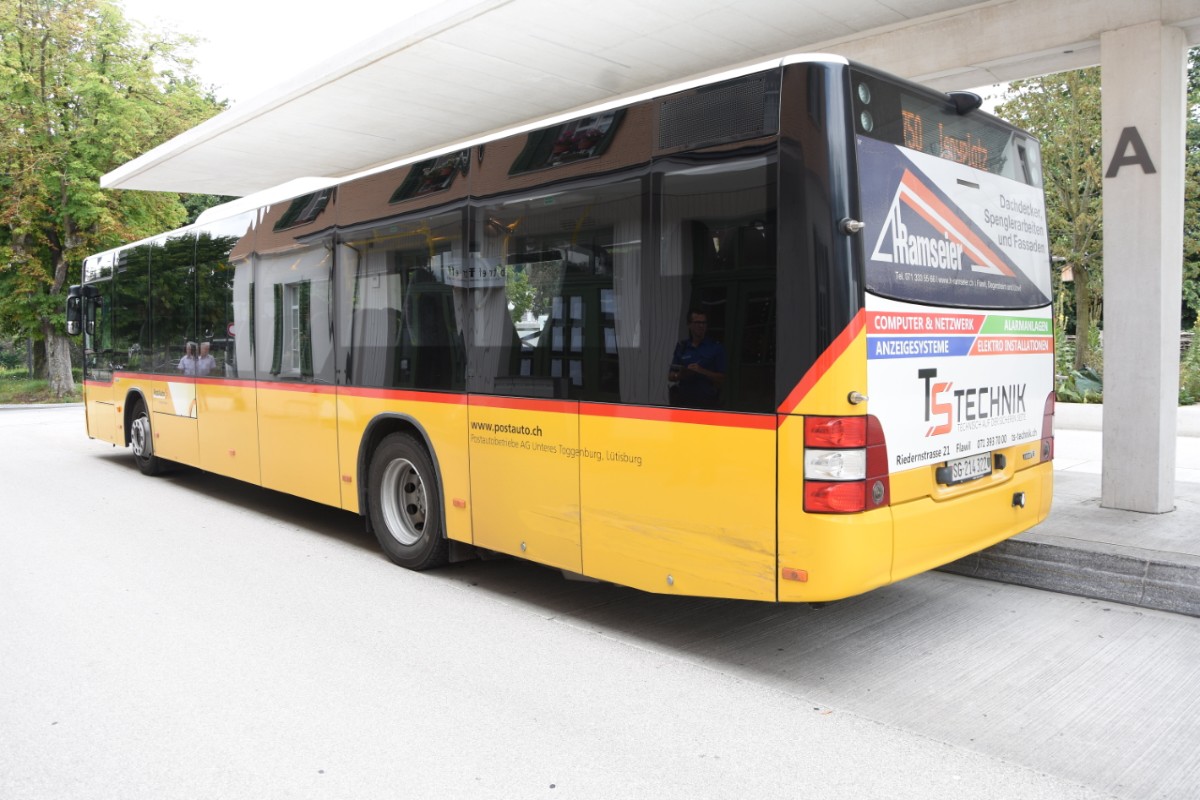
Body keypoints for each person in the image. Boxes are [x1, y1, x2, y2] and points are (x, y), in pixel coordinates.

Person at [668, 309, 725, 408]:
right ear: (689, 325)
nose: (701, 326)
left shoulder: (715, 347)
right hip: (683, 402)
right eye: (697, 322)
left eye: (704, 323)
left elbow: (722, 378)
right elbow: (671, 375)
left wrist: (701, 371)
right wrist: (680, 375)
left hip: (707, 402)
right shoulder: (682, 346)